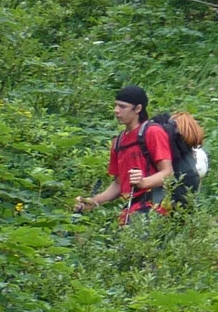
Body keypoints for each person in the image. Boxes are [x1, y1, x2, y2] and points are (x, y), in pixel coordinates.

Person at [73, 84, 175, 223]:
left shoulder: (153, 132)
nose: (116, 110)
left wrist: (143, 182)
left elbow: (168, 173)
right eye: (116, 105)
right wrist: (92, 201)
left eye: (122, 107)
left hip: (153, 208)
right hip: (129, 210)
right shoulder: (118, 141)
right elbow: (119, 184)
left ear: (138, 109)